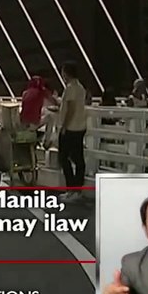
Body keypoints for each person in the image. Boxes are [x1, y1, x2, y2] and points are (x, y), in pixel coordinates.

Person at [55, 62, 88, 201]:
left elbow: (70, 109)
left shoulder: (70, 89)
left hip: (71, 128)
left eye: (63, 73)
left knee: (63, 157)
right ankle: (77, 190)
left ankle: (71, 189)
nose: (62, 76)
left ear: (67, 74)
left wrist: (63, 126)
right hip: (80, 127)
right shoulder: (81, 88)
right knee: (78, 159)